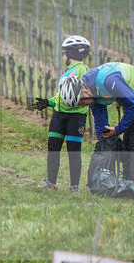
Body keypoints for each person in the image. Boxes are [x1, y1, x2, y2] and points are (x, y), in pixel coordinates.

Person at [64, 62, 134, 200]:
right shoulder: (90, 87)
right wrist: (104, 138)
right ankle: (125, 185)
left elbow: (133, 104)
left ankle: (132, 191)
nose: (82, 105)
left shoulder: (107, 80)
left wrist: (118, 129)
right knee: (128, 141)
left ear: (84, 90)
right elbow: (99, 113)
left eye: (81, 102)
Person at [32, 35, 92, 193]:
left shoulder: (83, 70)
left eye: (64, 53)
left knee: (73, 150)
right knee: (53, 148)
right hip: (59, 115)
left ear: (71, 53)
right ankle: (51, 182)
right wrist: (49, 102)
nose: (63, 56)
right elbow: (62, 95)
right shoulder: (67, 73)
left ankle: (74, 186)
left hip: (76, 116)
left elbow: (86, 93)